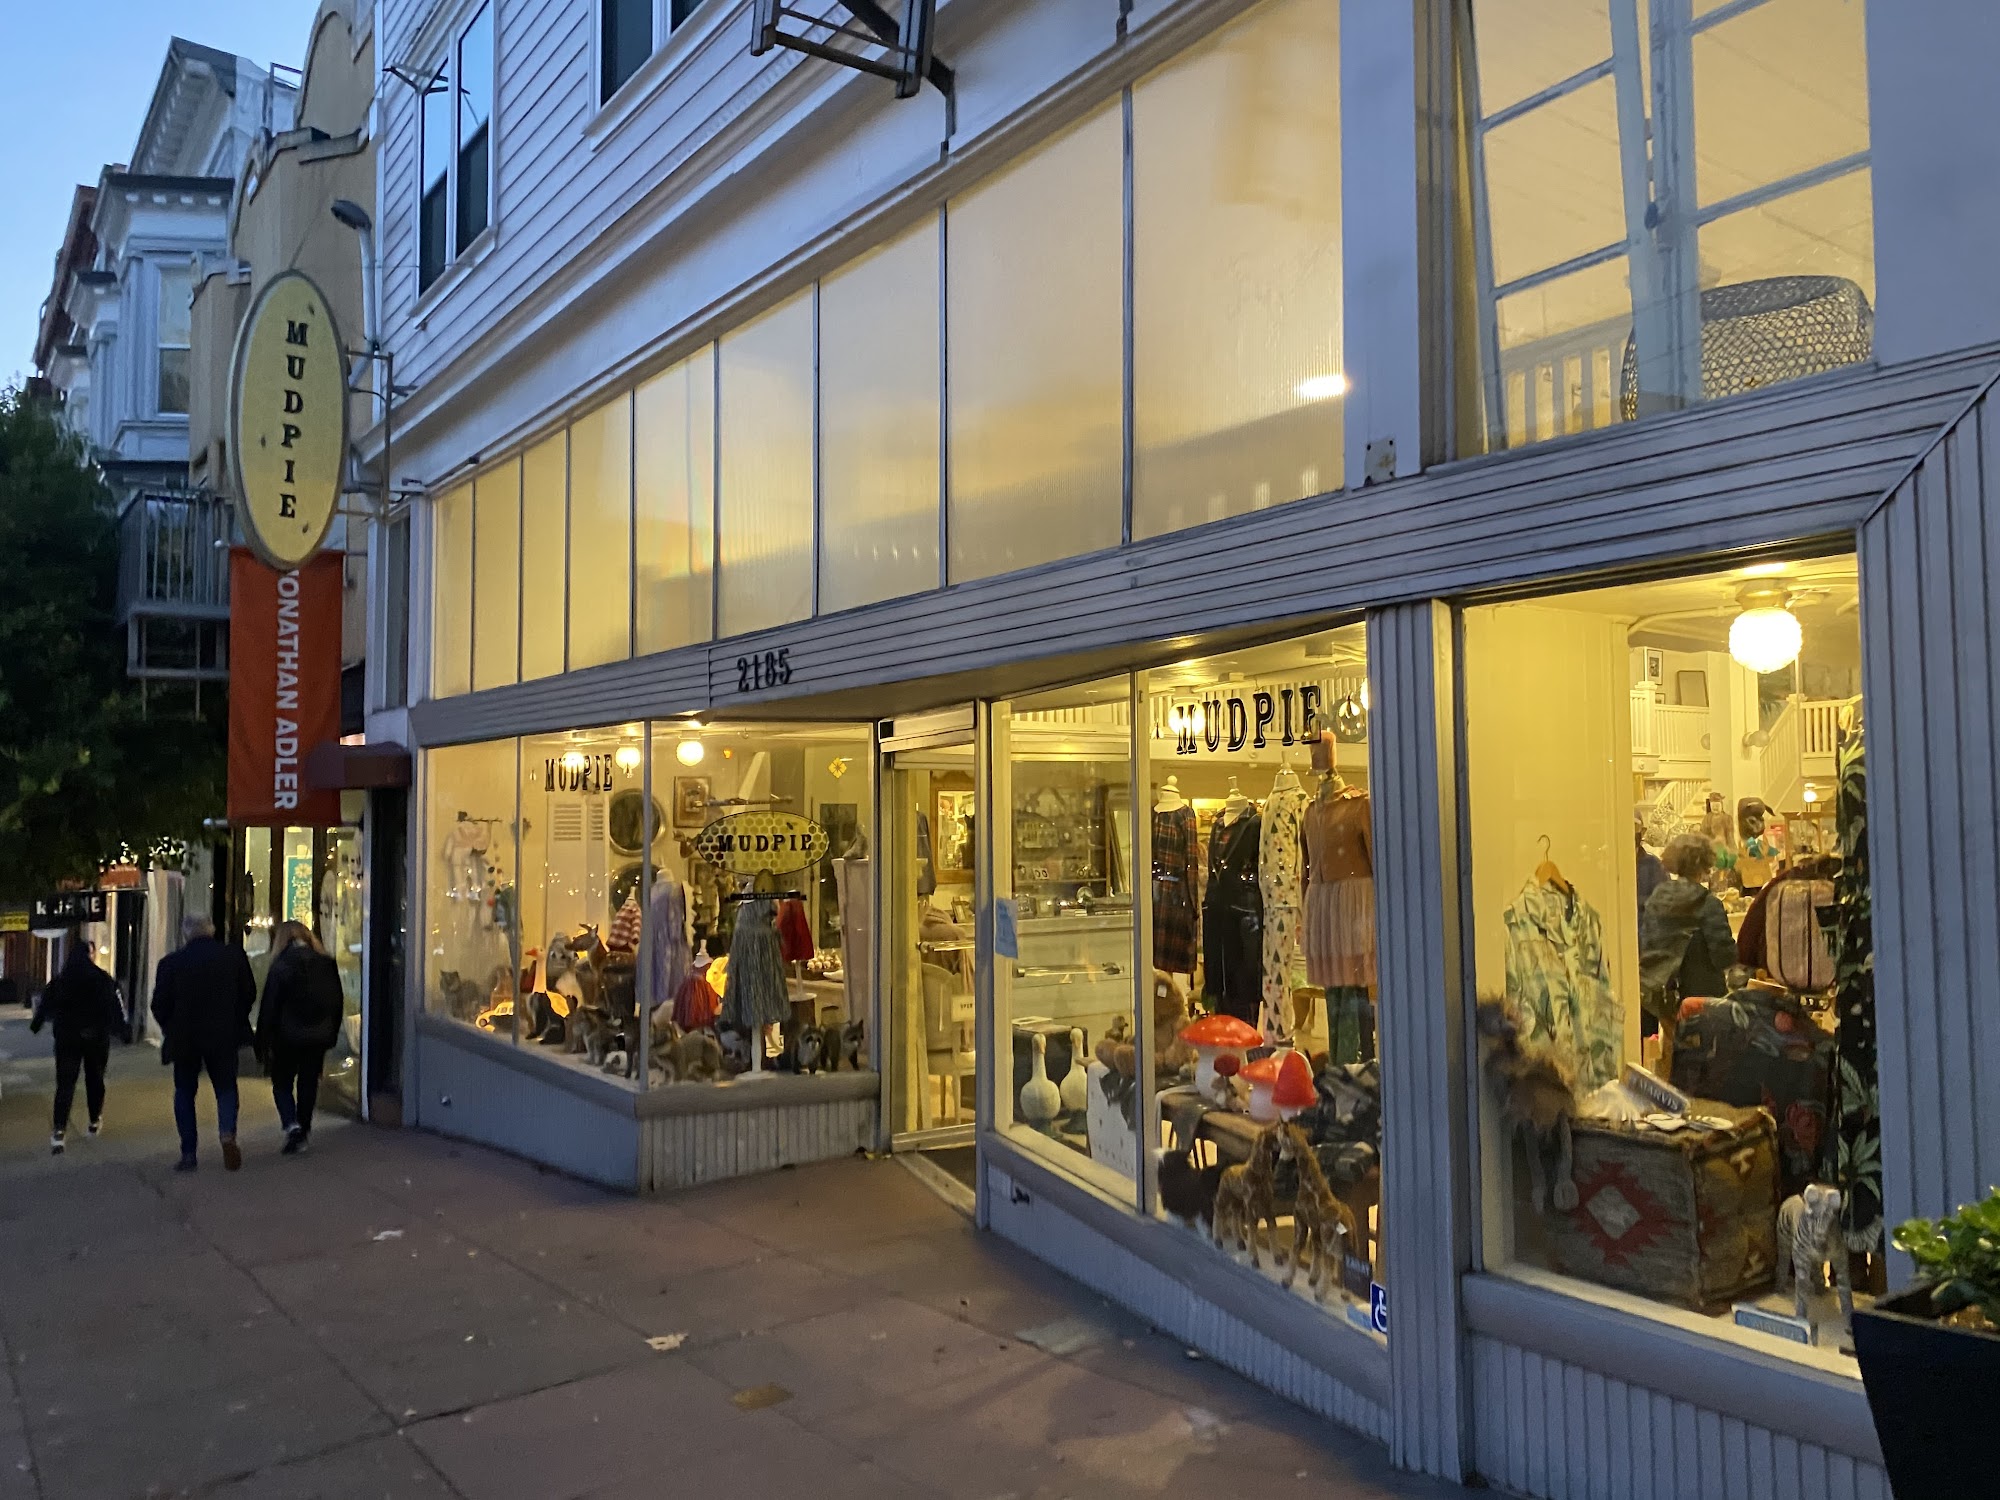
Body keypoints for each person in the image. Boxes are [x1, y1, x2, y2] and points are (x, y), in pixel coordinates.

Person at [150, 914, 256, 1172]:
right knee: (226, 1087)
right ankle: (227, 1134)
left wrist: (171, 1027)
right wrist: (235, 1019)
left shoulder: (171, 963)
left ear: (186, 933)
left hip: (185, 1037)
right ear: (212, 929)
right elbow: (249, 993)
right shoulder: (233, 957)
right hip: (223, 1034)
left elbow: (159, 1004)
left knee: (185, 1091)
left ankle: (188, 1153)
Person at [1638, 832, 1738, 1074]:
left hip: (1660, 996)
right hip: (1701, 997)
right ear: (1705, 864)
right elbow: (1723, 956)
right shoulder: (1708, 903)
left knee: (1672, 1053)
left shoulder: (1658, 897)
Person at [30, 934, 129, 1154]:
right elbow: (115, 1004)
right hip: (96, 1037)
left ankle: (59, 1130)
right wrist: (123, 1030)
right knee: (95, 1079)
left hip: (67, 1038)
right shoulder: (102, 979)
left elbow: (45, 1004)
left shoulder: (61, 980)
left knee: (65, 1084)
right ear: (89, 955)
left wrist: (36, 1025)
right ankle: (94, 1120)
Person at [255, 921, 345, 1154]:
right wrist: (332, 1032)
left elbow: (270, 1006)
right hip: (318, 1035)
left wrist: (262, 1041)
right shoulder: (326, 963)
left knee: (282, 1083)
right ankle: (303, 1129)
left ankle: (291, 1124)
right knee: (308, 1082)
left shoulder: (280, 965)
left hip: (286, 1036)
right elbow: (336, 1001)